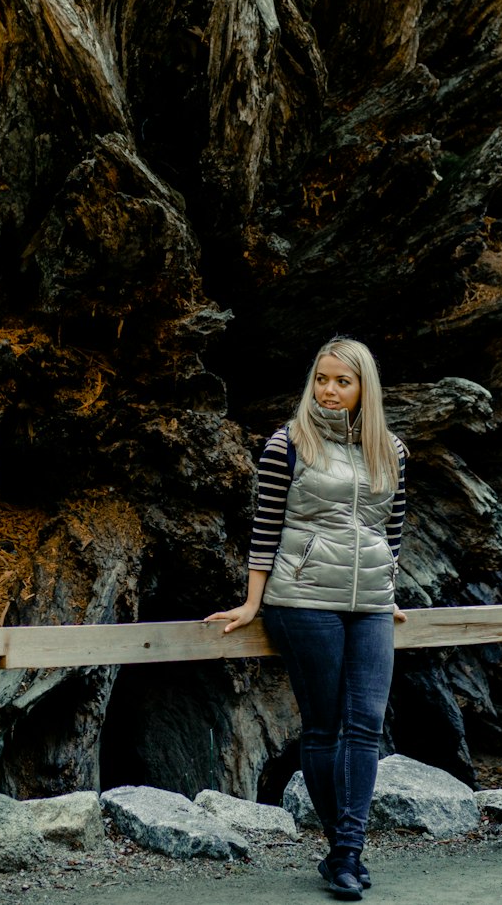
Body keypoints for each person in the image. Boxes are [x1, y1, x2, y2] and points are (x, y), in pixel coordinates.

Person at [206, 337, 407, 901]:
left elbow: (392, 530)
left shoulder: (390, 449)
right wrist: (252, 602)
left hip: (369, 604)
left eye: (342, 381)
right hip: (303, 600)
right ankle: (344, 853)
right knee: (323, 727)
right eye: (322, 379)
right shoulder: (287, 445)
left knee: (366, 723)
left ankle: (345, 852)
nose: (330, 390)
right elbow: (265, 527)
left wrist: (387, 588)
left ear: (364, 386)